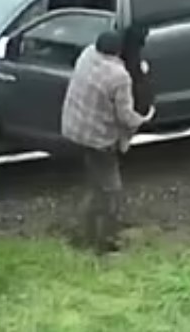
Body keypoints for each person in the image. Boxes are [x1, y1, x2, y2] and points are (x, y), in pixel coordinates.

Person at [61, 29, 155, 253]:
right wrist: (145, 117)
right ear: (118, 51)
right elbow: (125, 116)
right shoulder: (118, 76)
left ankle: (86, 234)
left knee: (96, 184)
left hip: (75, 127)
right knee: (110, 190)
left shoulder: (87, 55)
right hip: (99, 139)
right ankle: (104, 241)